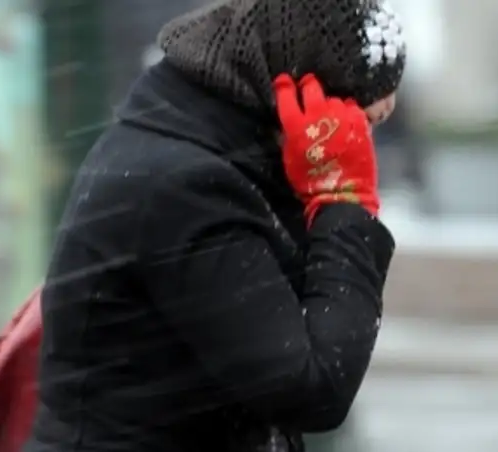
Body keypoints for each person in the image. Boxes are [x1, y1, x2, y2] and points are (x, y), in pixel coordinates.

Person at [24, 0, 406, 451]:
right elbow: (317, 387)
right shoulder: (187, 186)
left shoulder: (205, 146)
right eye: (360, 123)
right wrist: (344, 201)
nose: (362, 146)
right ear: (300, 99)